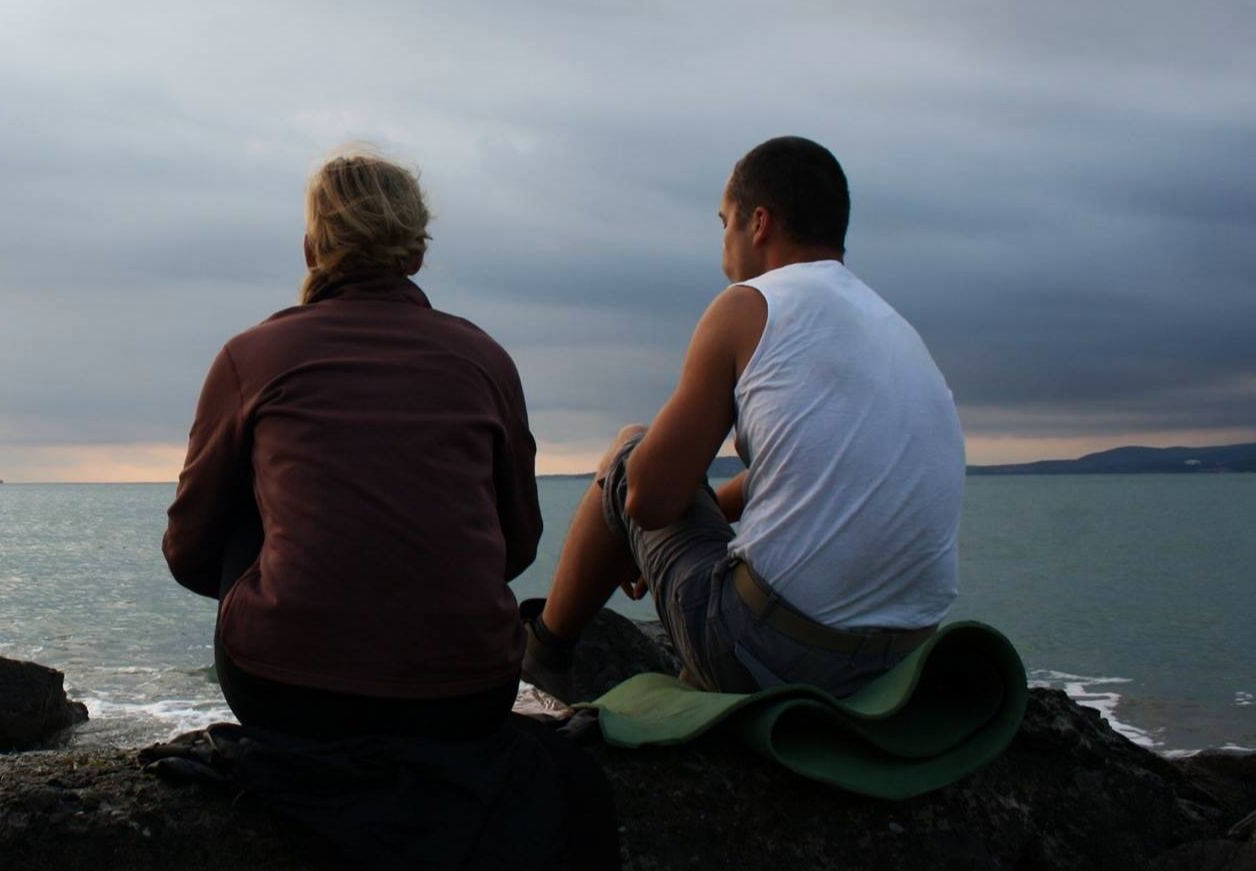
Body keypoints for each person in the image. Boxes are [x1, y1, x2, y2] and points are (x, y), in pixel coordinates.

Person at [525, 136, 964, 700]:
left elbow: (647, 500)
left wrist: (637, 538)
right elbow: (812, 467)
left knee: (630, 450)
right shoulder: (893, 329)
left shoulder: (747, 305)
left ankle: (544, 652)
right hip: (901, 664)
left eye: (724, 222)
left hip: (771, 657)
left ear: (759, 223)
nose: (723, 245)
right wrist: (697, 514)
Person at [164, 151, 543, 740]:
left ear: (311, 250)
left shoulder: (252, 356)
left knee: (247, 505)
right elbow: (519, 543)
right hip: (471, 693)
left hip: (287, 694)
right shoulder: (485, 360)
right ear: (416, 256)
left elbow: (188, 550)